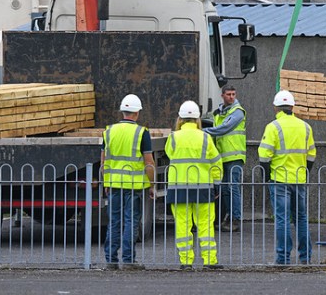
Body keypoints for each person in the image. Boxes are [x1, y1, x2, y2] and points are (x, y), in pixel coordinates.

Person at [258, 89, 316, 265]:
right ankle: (305, 258)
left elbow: (264, 156)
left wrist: (267, 176)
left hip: (279, 179)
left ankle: (283, 259)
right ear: (292, 107)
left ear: (276, 108)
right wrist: (304, 172)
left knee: (282, 219)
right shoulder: (305, 126)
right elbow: (311, 155)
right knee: (301, 218)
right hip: (299, 179)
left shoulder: (273, 127)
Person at [165, 100, 223, 270]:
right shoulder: (205, 137)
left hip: (179, 188)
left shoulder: (173, 138)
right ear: (198, 119)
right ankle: (210, 260)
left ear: (180, 119)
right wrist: (217, 184)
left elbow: (170, 154)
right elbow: (216, 162)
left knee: (182, 225)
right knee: (205, 224)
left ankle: (186, 261)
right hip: (203, 188)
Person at [100, 93, 155, 270]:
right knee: (131, 222)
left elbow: (104, 161)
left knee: (114, 222)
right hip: (134, 186)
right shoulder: (141, 133)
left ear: (122, 111)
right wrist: (152, 185)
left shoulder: (108, 131)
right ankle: (129, 260)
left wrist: (106, 183)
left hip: (114, 184)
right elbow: (149, 163)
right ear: (137, 113)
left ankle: (111, 260)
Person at [203, 84, 246, 231]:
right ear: (222, 95)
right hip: (223, 156)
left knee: (233, 187)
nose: (232, 97)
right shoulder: (219, 113)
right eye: (228, 94)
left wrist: (202, 131)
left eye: (234, 94)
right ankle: (229, 217)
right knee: (226, 189)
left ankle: (235, 219)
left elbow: (224, 129)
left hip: (234, 155)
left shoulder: (237, 112)